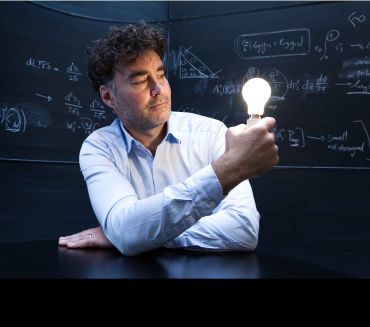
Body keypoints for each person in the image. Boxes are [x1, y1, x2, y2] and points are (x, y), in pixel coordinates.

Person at [59, 22, 279, 256]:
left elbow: (243, 230)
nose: (159, 89)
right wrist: (226, 171)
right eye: (140, 81)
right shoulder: (99, 148)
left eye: (161, 76)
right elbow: (125, 232)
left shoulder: (213, 133)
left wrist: (141, 236)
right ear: (108, 95)